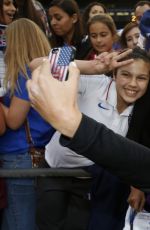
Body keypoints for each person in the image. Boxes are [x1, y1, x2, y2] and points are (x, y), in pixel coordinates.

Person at [35, 47, 149, 230]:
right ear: (114, 73)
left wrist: (137, 185)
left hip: (88, 179)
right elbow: (35, 66)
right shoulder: (95, 83)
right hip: (53, 171)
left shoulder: (143, 110)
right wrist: (93, 66)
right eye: (126, 75)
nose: (133, 84)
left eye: (141, 78)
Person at [0, 18, 55, 230]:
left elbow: (14, 121)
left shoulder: (26, 73)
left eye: (7, 40)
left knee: (19, 223)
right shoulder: (44, 72)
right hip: (30, 155)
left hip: (20, 156)